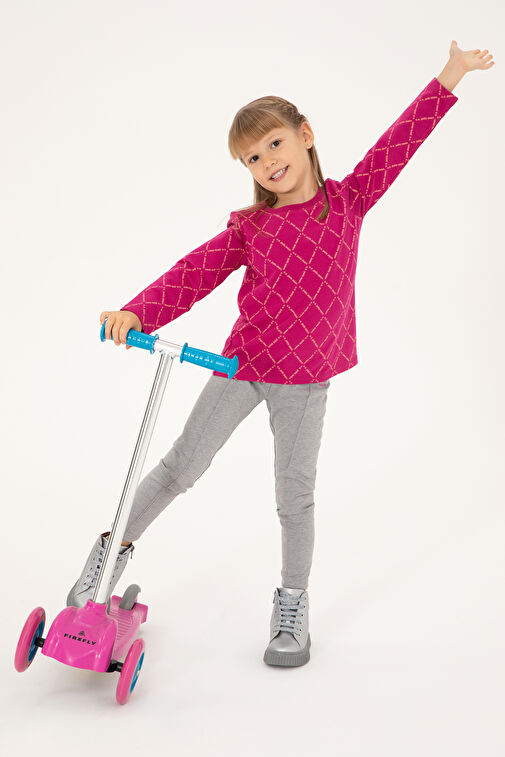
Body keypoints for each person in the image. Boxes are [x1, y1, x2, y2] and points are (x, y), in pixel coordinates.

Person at [66, 42, 493, 668]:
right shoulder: (252, 226)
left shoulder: (348, 202)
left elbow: (398, 145)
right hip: (241, 367)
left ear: (305, 136)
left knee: (294, 496)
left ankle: (292, 603)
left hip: (306, 381)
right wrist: (138, 311)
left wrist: (451, 75)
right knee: (180, 467)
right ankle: (107, 556)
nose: (267, 161)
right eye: (252, 157)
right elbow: (195, 271)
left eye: (274, 144)